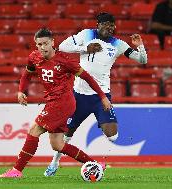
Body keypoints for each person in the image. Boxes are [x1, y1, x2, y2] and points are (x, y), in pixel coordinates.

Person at [0, 28, 112, 178]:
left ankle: (17, 170)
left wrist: (102, 96)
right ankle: (95, 164)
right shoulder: (34, 57)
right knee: (57, 144)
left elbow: (88, 77)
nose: (42, 47)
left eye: (45, 43)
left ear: (52, 42)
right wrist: (21, 91)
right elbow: (26, 75)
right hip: (52, 101)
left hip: (63, 102)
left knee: (34, 131)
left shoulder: (64, 60)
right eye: (39, 44)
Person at [44, 12, 147, 176]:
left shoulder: (118, 44)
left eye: (112, 25)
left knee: (113, 136)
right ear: (98, 25)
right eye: (105, 24)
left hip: (101, 97)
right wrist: (85, 48)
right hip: (79, 95)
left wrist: (139, 45)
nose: (109, 27)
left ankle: (101, 141)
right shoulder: (87, 34)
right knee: (67, 134)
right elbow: (62, 47)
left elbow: (142, 60)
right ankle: (54, 162)